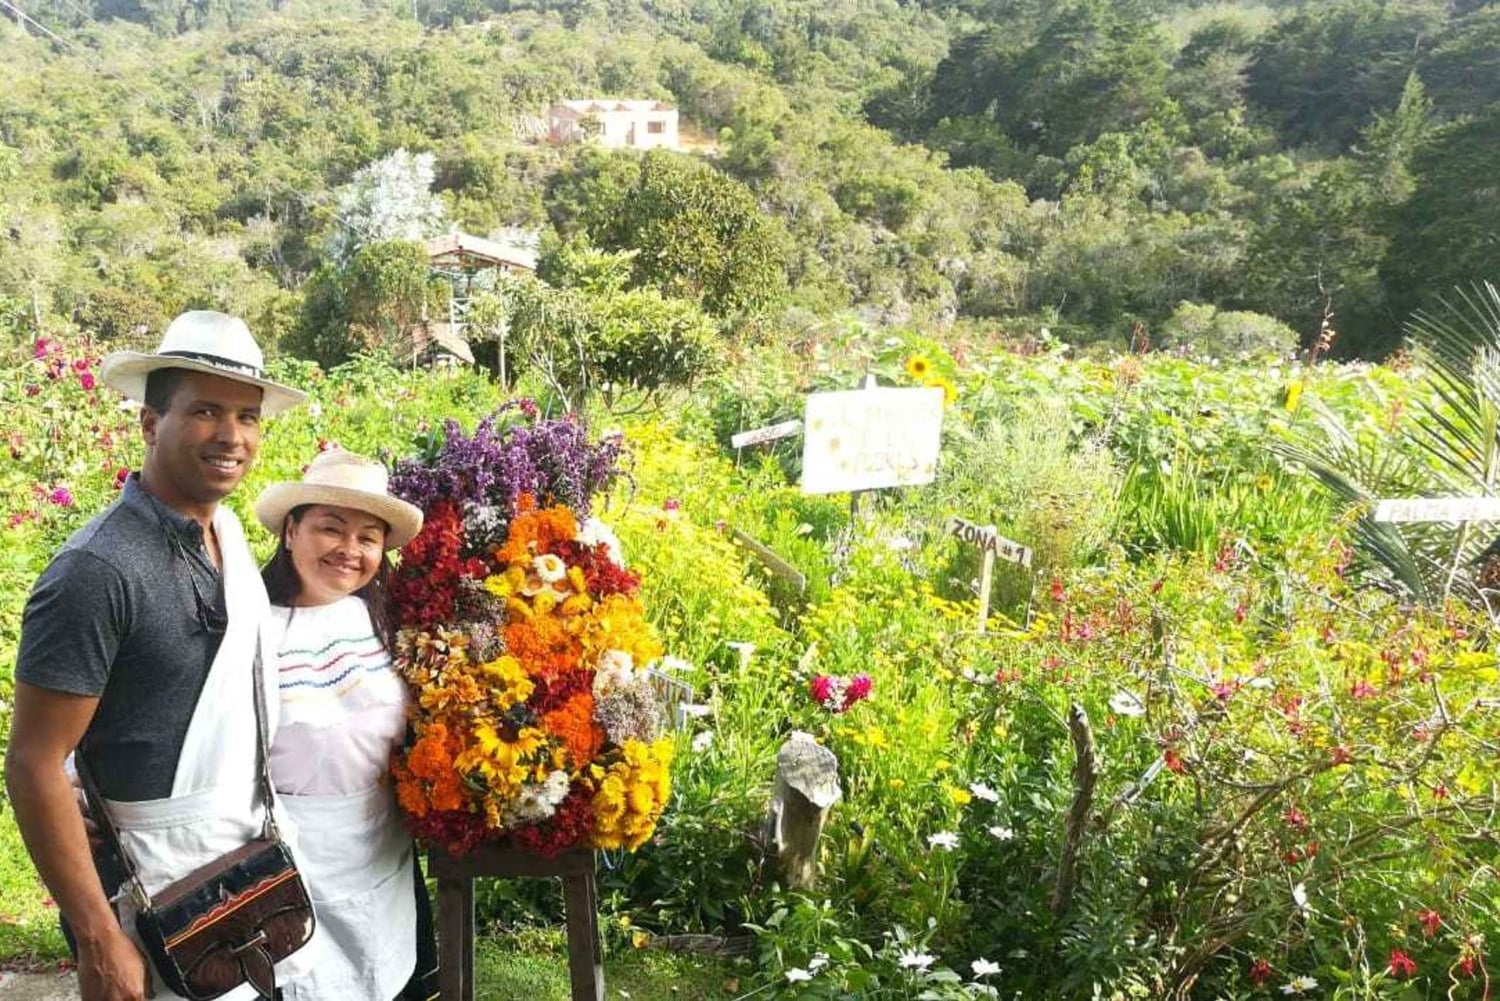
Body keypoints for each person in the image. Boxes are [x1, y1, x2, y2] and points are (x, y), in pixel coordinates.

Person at [4, 310, 315, 1001]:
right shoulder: (96, 571)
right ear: (150, 423)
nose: (232, 435)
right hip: (142, 892)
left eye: (247, 416)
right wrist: (98, 937)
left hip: (241, 874)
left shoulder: (228, 538)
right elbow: (32, 761)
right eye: (205, 411)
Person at [254, 448, 438, 1001]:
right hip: (290, 861)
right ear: (291, 531)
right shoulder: (249, 627)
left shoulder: (380, 619)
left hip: (381, 854)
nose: (349, 550)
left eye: (367, 537)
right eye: (330, 529)